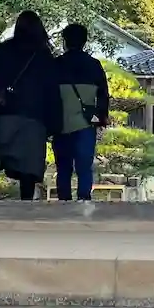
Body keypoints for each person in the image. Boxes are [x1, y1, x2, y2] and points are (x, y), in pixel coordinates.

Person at [0, 10, 56, 200]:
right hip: (34, 116)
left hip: (6, 112)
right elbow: (52, 90)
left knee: (0, 153)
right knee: (29, 166)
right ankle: (26, 201)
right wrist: (53, 121)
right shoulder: (44, 56)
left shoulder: (4, 50)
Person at [50, 22, 110, 202]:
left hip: (61, 122)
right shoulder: (94, 65)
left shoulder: (57, 64)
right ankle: (84, 199)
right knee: (84, 166)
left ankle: (64, 200)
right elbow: (103, 94)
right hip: (85, 122)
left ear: (65, 41)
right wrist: (100, 117)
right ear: (84, 41)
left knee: (63, 167)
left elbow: (48, 95)